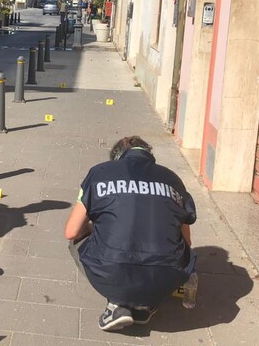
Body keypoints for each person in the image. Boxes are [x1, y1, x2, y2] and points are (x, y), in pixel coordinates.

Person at [64, 136, 196, 332]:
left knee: (77, 240)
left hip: (111, 271)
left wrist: (95, 229)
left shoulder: (100, 173)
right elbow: (187, 241)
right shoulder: (172, 179)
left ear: (117, 157)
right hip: (164, 276)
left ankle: (117, 304)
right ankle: (144, 304)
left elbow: (71, 231)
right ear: (149, 155)